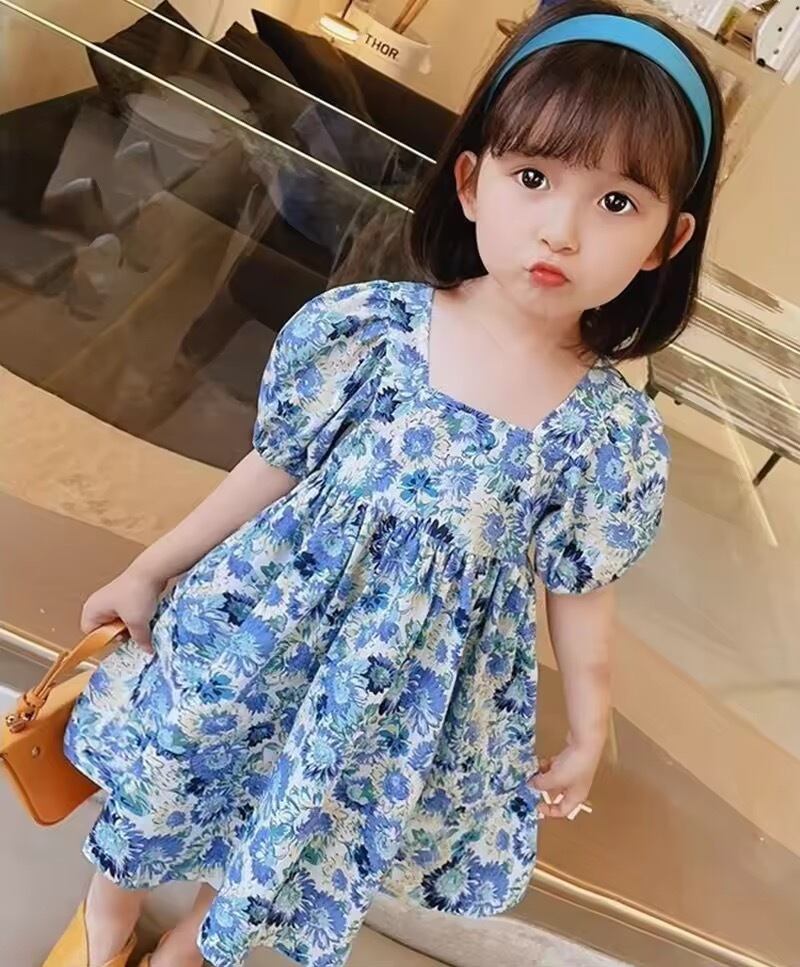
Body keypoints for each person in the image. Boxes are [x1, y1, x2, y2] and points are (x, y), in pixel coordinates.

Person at [44, 1, 724, 965]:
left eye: (617, 202)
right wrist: (150, 568)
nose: (562, 231)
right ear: (473, 182)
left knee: (290, 812)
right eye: (534, 177)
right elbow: (273, 465)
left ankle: (189, 948)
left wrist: (587, 726)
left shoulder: (608, 435)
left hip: (390, 693)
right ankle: (106, 921)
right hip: (262, 624)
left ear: (665, 241)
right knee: (179, 762)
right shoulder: (372, 331)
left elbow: (579, 586)